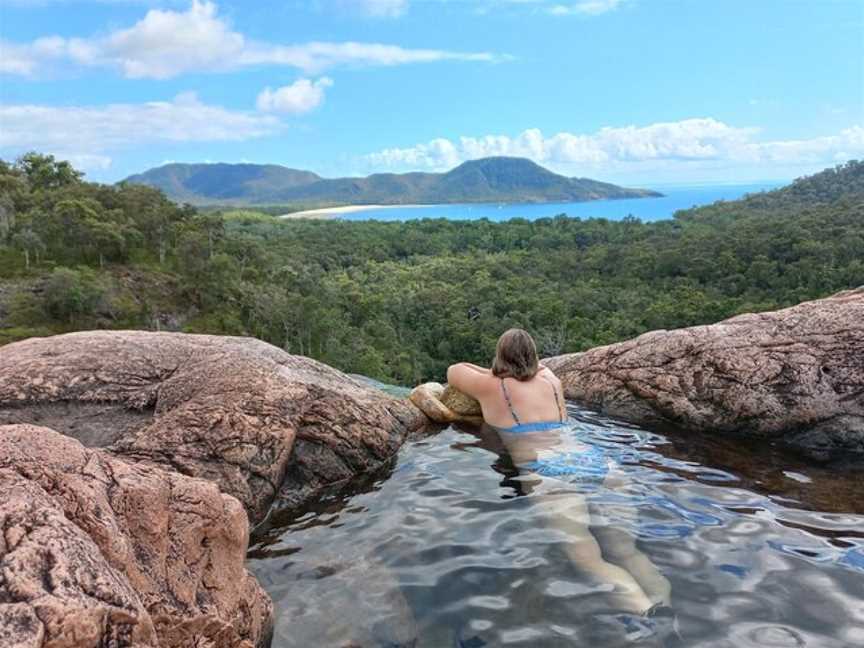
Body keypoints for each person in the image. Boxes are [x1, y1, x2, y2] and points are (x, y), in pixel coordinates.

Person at [446, 328, 671, 617]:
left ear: (500, 357)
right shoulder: (551, 378)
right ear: (535, 356)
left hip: (547, 470)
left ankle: (645, 615)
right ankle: (666, 609)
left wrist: (495, 370)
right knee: (627, 550)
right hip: (593, 461)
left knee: (589, 560)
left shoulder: (492, 386)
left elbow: (454, 370)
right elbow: (534, 368)